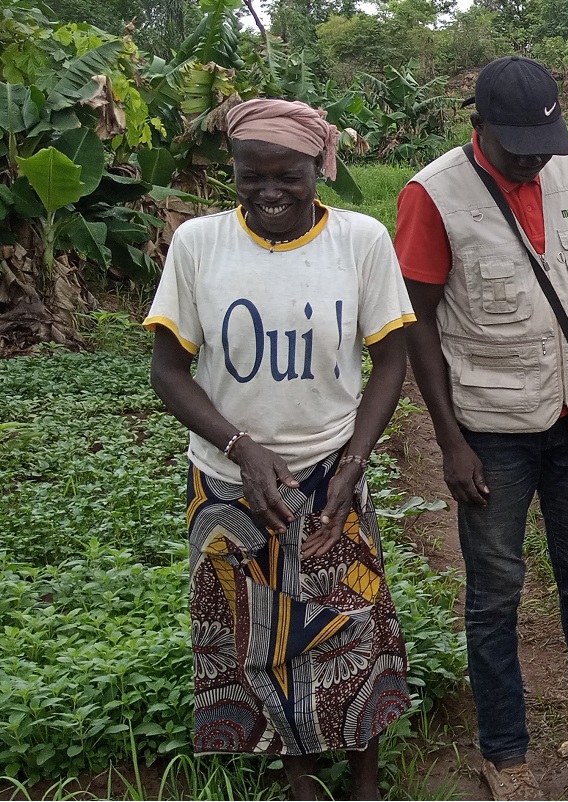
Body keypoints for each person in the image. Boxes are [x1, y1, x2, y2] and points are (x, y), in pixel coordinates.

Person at [393, 56, 568, 800]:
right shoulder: (432, 194)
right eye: (517, 146)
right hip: (490, 426)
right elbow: (415, 322)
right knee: (495, 592)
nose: (534, 158)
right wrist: (448, 439)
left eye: (543, 142)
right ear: (476, 126)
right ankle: (505, 752)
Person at [146, 97, 414, 800]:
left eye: (287, 175)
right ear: (230, 171)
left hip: (330, 475)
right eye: (249, 174)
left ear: (319, 167)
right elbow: (168, 371)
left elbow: (391, 359)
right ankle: (298, 778)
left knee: (350, 632)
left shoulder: (360, 241)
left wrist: (352, 464)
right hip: (228, 488)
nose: (269, 190)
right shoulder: (199, 245)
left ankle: (363, 780)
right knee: (257, 639)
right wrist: (242, 448)